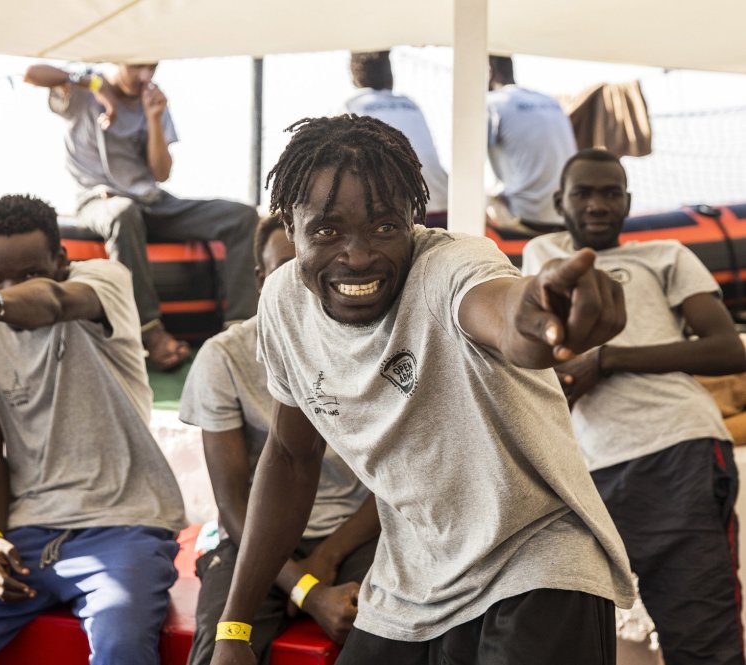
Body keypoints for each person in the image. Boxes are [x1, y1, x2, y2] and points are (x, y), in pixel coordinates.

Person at [209, 115, 636, 665]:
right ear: (290, 228)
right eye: (327, 231)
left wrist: (536, 316)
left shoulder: (449, 267)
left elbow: (503, 312)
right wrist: (234, 629)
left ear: (412, 219)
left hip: (537, 566)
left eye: (384, 227)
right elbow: (291, 458)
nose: (358, 255)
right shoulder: (283, 305)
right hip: (411, 583)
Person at [0, 194, 186, 665]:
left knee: (121, 650)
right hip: (24, 533)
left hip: (125, 525)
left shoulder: (103, 281)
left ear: (62, 261)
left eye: (28, 273)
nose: (8, 285)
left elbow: (53, 300)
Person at [522, 148, 746, 665]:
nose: (597, 204)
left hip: (674, 446)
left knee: (700, 637)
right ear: (560, 201)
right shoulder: (543, 254)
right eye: (583, 193)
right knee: (569, 638)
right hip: (582, 472)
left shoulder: (665, 255)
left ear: (628, 202)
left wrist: (610, 359)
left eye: (610, 193)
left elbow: (727, 347)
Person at [180, 214, 379, 664]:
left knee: (390, 634)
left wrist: (328, 555)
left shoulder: (371, 345)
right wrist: (309, 591)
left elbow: (392, 485)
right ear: (259, 278)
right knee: (219, 650)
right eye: (284, 267)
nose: (299, 283)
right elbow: (233, 504)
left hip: (352, 534)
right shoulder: (224, 357)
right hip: (250, 533)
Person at [24, 61, 260, 371]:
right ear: (116, 60)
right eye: (137, 67)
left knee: (241, 215)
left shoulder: (153, 101)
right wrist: (95, 85)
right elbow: (32, 74)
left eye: (152, 67)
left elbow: (161, 172)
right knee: (124, 212)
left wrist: (154, 117)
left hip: (153, 202)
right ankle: (150, 332)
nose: (145, 76)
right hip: (101, 200)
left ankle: (238, 330)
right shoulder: (83, 90)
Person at [344, 51, 449, 228]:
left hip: (401, 215)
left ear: (354, 77)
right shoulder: (410, 103)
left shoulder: (351, 105)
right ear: (390, 76)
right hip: (443, 205)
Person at [487, 55, 577, 231]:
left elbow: (466, 164)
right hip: (567, 214)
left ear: (489, 71)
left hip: (525, 217)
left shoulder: (492, 103)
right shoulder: (550, 101)